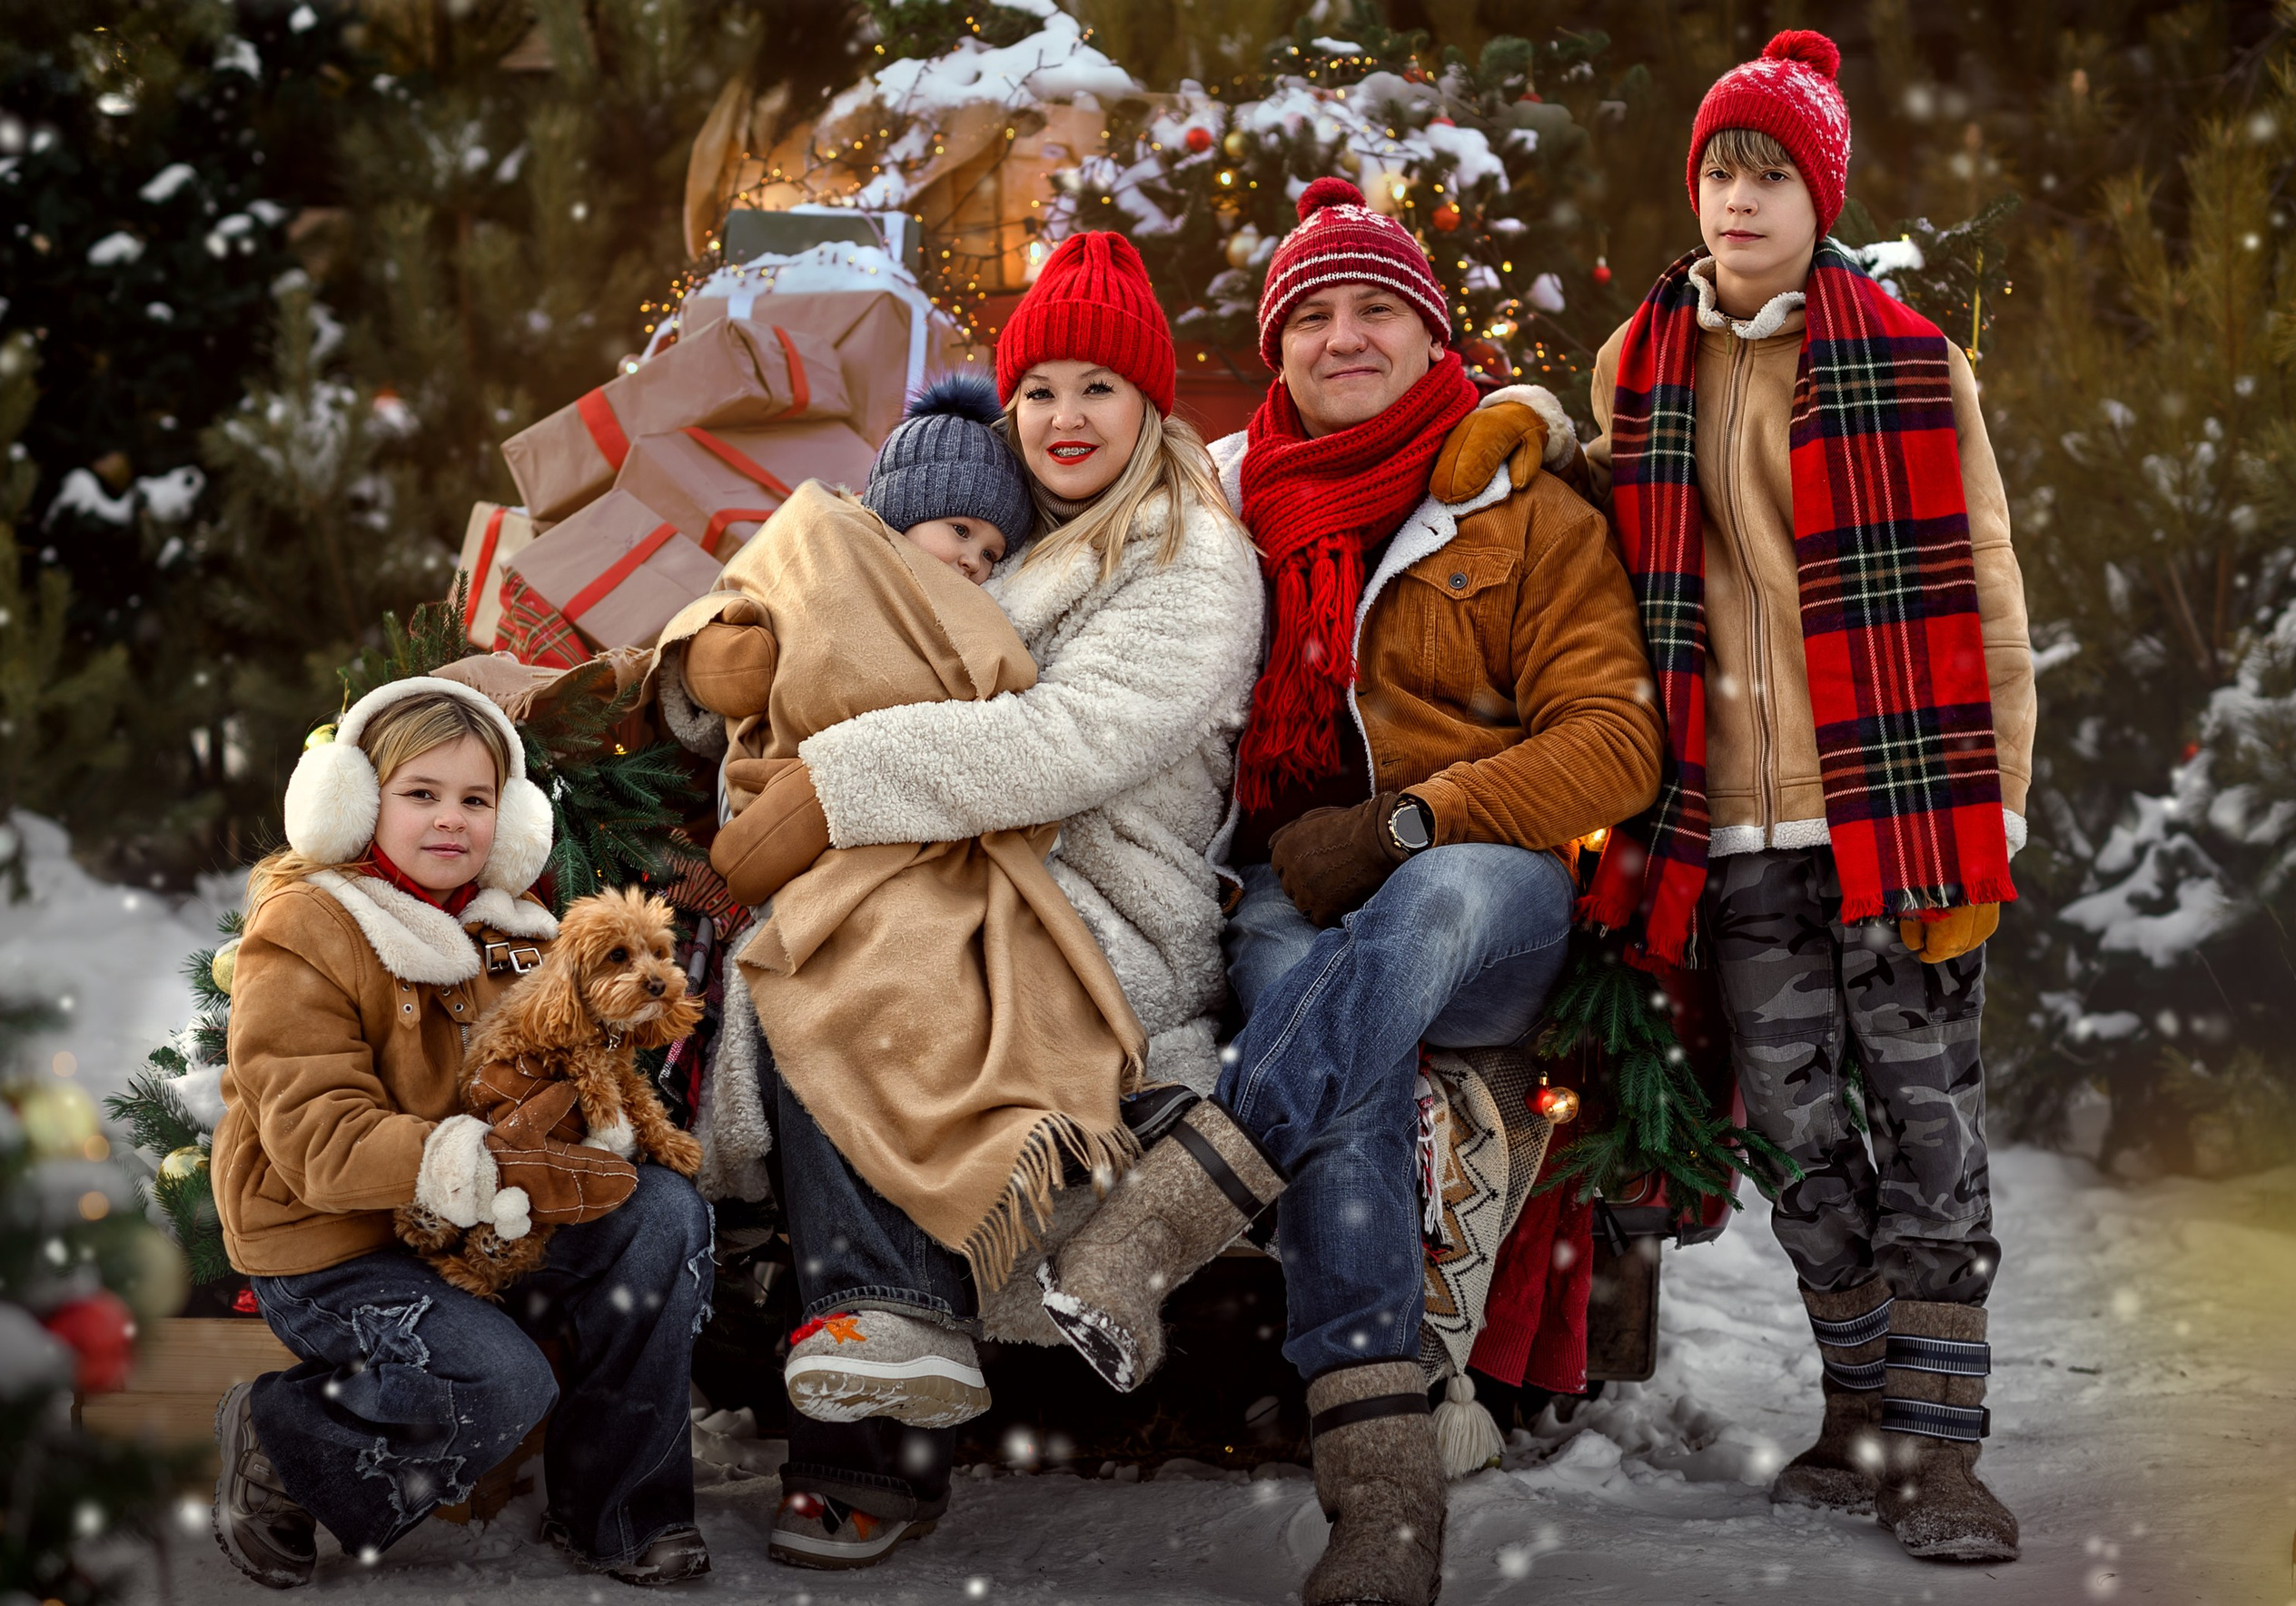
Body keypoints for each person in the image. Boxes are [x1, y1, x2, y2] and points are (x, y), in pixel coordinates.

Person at [1033, 177, 1666, 1606]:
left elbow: (1617, 739)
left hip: (1488, 879)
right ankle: (1384, 1503)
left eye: (1375, 306)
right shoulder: (1223, 504)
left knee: (1425, 908)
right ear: (1278, 350)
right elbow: (1023, 488)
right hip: (1290, 887)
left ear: (1431, 331)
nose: (1343, 336)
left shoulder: (1519, 506)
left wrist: (1416, 819)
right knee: (1341, 1041)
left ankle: (1167, 1216)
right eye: (1310, 315)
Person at [696, 233, 1265, 1570]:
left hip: (1109, 913)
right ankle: (863, 1355)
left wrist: (832, 785)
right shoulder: (995, 534)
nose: (1065, 419)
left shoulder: (1188, 561)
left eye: (1099, 389)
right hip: (980, 873)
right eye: (1042, 390)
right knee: (825, 934)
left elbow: (1058, 745)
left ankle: (882, 1408)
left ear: (1153, 406)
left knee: (850, 951)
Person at [1569, 30, 2034, 1565]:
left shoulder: (1908, 358)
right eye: (1720, 167)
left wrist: (2000, 808)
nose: (1741, 195)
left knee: (1929, 1126)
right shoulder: (1640, 363)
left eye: (1771, 170)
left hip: (1891, 814)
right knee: (1795, 1129)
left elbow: (1985, 592)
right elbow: (1598, 539)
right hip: (1727, 827)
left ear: (1818, 195)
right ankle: (1860, 1409)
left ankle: (1945, 1448)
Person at [211, 679, 716, 1589]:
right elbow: (318, 1139)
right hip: (337, 1242)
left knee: (665, 1211)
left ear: (508, 815)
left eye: (476, 799)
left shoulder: (514, 934)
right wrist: (474, 1159)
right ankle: (285, 1442)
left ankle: (620, 1505)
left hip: (495, 1215)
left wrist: (596, 1116)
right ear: (356, 802)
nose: (451, 820)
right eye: (420, 794)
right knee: (498, 1383)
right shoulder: (305, 930)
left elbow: (559, 1057)